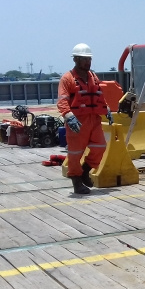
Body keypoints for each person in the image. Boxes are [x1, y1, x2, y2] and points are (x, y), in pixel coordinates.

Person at [57, 43, 111, 195]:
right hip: (77, 121)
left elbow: (99, 96)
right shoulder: (67, 79)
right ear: (76, 60)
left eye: (89, 59)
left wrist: (106, 110)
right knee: (75, 153)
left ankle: (85, 171)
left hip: (94, 119)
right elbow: (62, 101)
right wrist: (69, 116)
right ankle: (77, 182)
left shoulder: (93, 77)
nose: (88, 62)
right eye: (84, 59)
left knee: (100, 146)